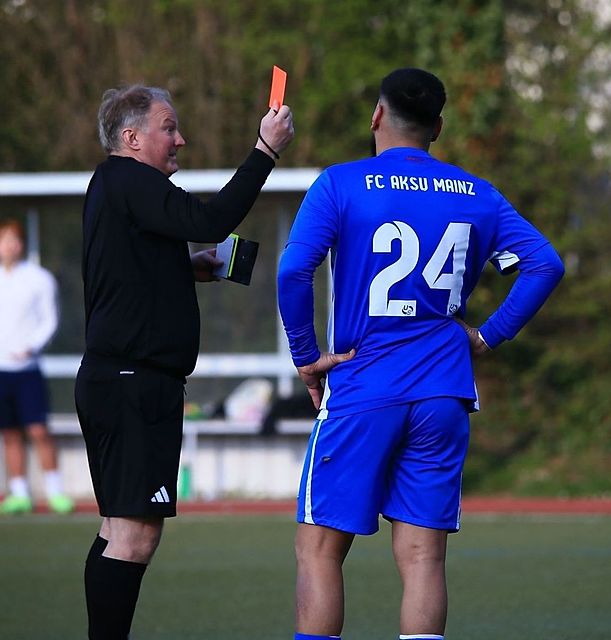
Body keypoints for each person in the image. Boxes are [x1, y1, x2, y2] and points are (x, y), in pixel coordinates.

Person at [277, 68, 564, 640]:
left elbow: (293, 271)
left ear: (377, 115)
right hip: (443, 392)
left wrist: (306, 356)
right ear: (437, 127)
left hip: (364, 385)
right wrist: (489, 335)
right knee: (423, 558)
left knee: (319, 550)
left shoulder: (340, 184)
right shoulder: (478, 194)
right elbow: (544, 264)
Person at [77, 84, 294, 639]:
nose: (181, 139)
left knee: (117, 531)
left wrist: (185, 265)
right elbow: (211, 219)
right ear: (132, 138)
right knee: (134, 536)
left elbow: (133, 265)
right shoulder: (132, 179)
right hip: (133, 383)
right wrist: (265, 151)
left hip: (120, 380)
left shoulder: (117, 186)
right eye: (168, 128)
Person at [0, 219, 73, 515]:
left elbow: (49, 320)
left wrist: (31, 346)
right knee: (9, 432)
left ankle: (55, 492)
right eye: (4, 240)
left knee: (38, 430)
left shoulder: (39, 278)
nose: (10, 246)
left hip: (28, 368)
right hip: (1, 370)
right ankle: (19, 493)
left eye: (14, 240)